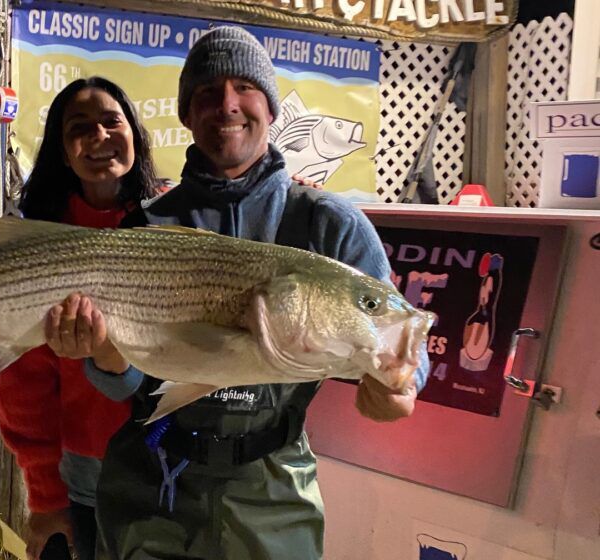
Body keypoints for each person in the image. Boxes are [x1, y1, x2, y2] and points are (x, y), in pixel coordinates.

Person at [45, 27, 430, 559]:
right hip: (152, 486)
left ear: (270, 108)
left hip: (273, 486)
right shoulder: (147, 224)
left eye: (245, 87)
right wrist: (106, 359)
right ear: (187, 115)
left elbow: (400, 343)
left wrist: (399, 387)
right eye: (207, 93)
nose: (227, 104)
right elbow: (127, 390)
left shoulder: (329, 224)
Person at [0, 76, 160, 560]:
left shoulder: (174, 219)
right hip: (88, 476)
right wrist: (46, 498)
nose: (99, 136)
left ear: (135, 133)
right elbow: (24, 388)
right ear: (63, 153)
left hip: (174, 465)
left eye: (112, 121)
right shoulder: (40, 239)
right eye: (79, 128)